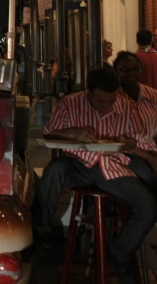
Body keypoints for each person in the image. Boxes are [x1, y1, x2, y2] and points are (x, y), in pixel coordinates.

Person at [32, 67, 156, 284]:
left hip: (114, 167)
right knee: (54, 171)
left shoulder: (126, 106)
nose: (107, 107)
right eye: (100, 101)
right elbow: (48, 132)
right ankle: (38, 238)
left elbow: (144, 140)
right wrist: (73, 132)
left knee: (148, 208)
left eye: (111, 101)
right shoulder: (70, 103)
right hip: (77, 163)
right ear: (88, 92)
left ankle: (118, 253)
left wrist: (132, 143)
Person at [114, 51, 157, 189]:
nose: (131, 73)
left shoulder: (152, 95)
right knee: (145, 175)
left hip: (151, 150)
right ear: (116, 71)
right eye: (125, 69)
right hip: (126, 153)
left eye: (136, 69)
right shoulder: (111, 99)